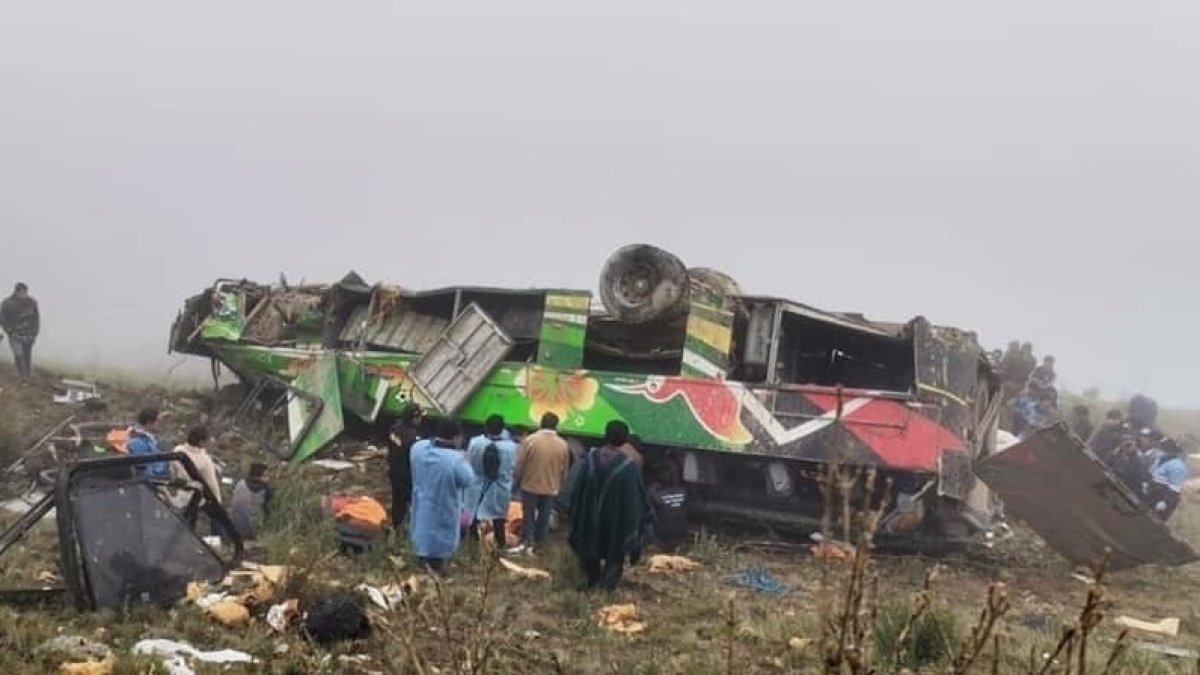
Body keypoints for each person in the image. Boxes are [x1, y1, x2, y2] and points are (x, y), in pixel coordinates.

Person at [569, 420, 653, 591]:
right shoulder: (628, 467)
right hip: (616, 523)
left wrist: (575, 514)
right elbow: (635, 501)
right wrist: (636, 530)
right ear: (624, 440)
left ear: (605, 435)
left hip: (589, 520)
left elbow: (577, 490)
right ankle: (606, 588)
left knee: (588, 549)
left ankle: (592, 580)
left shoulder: (590, 460)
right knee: (615, 555)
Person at [410, 419, 476, 575]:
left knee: (422, 533)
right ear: (456, 437)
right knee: (439, 541)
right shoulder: (455, 460)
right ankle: (435, 569)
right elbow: (468, 479)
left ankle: (422, 563)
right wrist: (465, 459)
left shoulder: (418, 449)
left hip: (422, 502)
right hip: (443, 505)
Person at [511, 412, 570, 554]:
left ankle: (526, 542)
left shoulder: (530, 441)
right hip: (550, 487)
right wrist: (560, 485)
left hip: (530, 485)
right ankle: (540, 544)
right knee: (544, 516)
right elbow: (564, 469)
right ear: (556, 425)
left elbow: (520, 464)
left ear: (541, 423)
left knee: (529, 515)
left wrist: (517, 481)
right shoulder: (562, 445)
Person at [170, 427, 233, 541]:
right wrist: (217, 501)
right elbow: (211, 482)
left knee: (186, 523)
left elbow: (173, 471)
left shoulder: (178, 450)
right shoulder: (203, 459)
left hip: (183, 493)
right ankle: (220, 541)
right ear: (201, 442)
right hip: (201, 495)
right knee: (218, 517)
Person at [465, 414, 518, 546]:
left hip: (476, 486)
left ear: (486, 427)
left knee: (470, 514)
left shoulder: (475, 442)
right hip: (500, 488)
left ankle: (469, 540)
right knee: (498, 519)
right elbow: (514, 467)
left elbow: (468, 461)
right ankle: (500, 544)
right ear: (503, 429)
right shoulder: (511, 447)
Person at [387, 403, 423, 530]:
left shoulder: (394, 428)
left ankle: (396, 525)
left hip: (394, 470)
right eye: (419, 417)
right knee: (414, 501)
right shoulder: (413, 437)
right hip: (408, 474)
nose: (421, 420)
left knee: (397, 501)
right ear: (413, 418)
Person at [648, 457, 690, 551]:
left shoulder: (656, 493)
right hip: (680, 537)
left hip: (663, 539)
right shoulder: (684, 491)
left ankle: (655, 544)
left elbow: (648, 510)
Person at [0, 283, 39, 380]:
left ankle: (27, 374)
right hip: (14, 334)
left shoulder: (32, 302)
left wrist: (35, 333)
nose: (24, 294)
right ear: (16, 291)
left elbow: (36, 319)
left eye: (25, 292)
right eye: (21, 292)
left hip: (28, 334)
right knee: (18, 354)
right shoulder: (7, 303)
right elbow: (2, 319)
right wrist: (9, 330)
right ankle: (22, 374)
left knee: (27, 354)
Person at [1145, 437, 1188, 520]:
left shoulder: (1177, 466)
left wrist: (1165, 502)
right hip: (1152, 493)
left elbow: (1175, 488)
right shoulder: (1160, 459)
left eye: (1164, 448)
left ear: (1171, 450)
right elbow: (1152, 473)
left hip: (1163, 498)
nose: (1161, 450)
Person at [230, 463, 272, 540]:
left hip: (233, 526)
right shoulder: (265, 489)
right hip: (252, 531)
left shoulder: (240, 483)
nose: (269, 479)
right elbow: (268, 511)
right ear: (259, 476)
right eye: (266, 476)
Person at [127, 408, 170, 479]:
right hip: (152, 481)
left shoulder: (150, 437)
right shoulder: (137, 442)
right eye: (158, 422)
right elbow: (144, 467)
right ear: (149, 423)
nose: (161, 424)